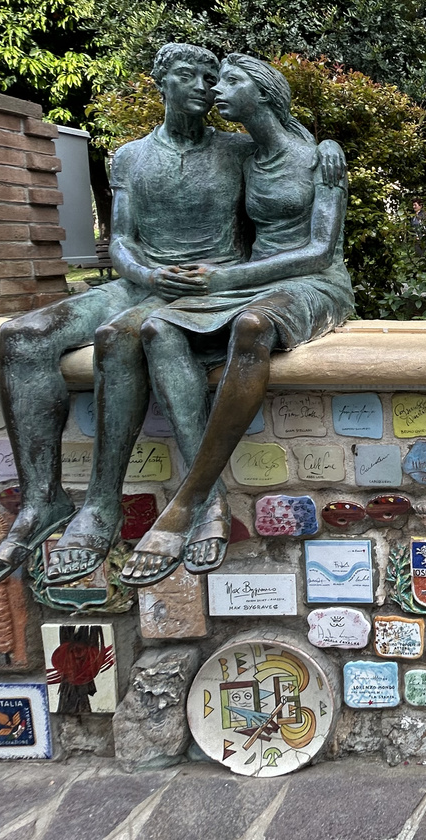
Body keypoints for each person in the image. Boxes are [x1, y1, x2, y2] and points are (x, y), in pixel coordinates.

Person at [0, 44, 250, 590]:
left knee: (117, 338)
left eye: (211, 77)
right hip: (140, 279)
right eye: (187, 75)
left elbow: (289, 171)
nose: (202, 85)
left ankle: (102, 505)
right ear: (161, 80)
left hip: (206, 285)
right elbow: (120, 240)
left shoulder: (238, 151)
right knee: (22, 337)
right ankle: (41, 501)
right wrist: (146, 275)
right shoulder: (130, 157)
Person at [121, 54, 354, 586]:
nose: (214, 90)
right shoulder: (244, 156)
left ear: (266, 92)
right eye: (213, 80)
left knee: (251, 328)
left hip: (314, 283)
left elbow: (319, 252)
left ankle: (189, 499)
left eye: (230, 80)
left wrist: (225, 281)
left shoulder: (319, 158)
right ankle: (210, 499)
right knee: (159, 328)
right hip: (254, 280)